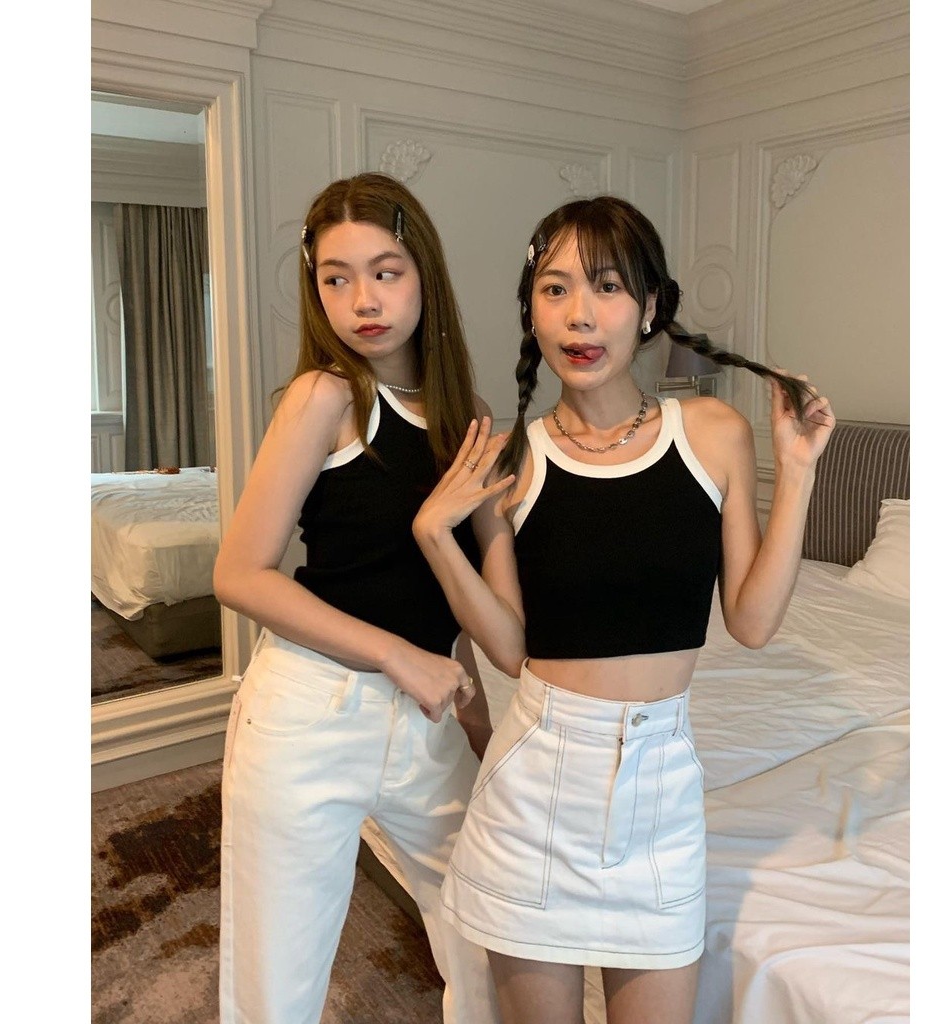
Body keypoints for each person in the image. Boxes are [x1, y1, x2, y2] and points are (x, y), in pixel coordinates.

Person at [411, 195, 835, 1024]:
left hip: (662, 787)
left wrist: (799, 471)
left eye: (606, 287)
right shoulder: (514, 461)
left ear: (647, 309)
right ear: (532, 311)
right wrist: (435, 536)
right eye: (556, 289)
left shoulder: (712, 431)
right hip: (535, 786)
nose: (580, 314)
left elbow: (752, 622)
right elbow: (510, 649)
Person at [214, 172, 501, 1024]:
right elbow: (240, 573)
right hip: (313, 711)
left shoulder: (467, 414)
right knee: (278, 982)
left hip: (429, 716)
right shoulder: (327, 398)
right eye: (335, 279)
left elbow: (457, 590)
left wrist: (478, 716)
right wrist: (396, 654)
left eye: (385, 272)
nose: (362, 300)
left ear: (424, 275)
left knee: (491, 935)